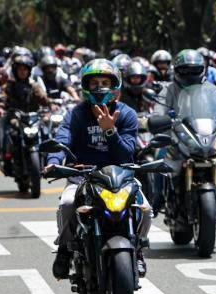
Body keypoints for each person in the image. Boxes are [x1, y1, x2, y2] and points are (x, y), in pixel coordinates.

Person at [44, 59, 145, 279]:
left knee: (144, 207)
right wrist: (54, 160)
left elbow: (126, 154)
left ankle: (137, 251)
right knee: (68, 203)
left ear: (115, 85)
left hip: (120, 175)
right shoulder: (77, 113)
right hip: (83, 175)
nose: (99, 87)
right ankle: (64, 250)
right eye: (94, 82)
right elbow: (63, 138)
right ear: (86, 86)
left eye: (105, 82)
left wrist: (110, 131)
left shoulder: (126, 114)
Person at [155, 49, 216, 219]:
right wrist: (159, 119)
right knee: (159, 156)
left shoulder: (211, 89)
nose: (190, 74)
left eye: (194, 70)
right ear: (177, 71)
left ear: (202, 69)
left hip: (205, 133)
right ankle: (157, 199)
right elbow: (159, 109)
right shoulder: (169, 89)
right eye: (185, 70)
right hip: (177, 134)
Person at [0, 54, 49, 174]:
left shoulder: (34, 85)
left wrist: (49, 102)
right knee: (9, 132)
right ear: (15, 71)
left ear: (29, 71)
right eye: (20, 69)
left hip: (33, 118)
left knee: (46, 131)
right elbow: (3, 98)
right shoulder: (10, 86)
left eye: (25, 69)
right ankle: (7, 159)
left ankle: (49, 160)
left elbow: (44, 99)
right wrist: (0, 107)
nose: (22, 72)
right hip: (16, 118)